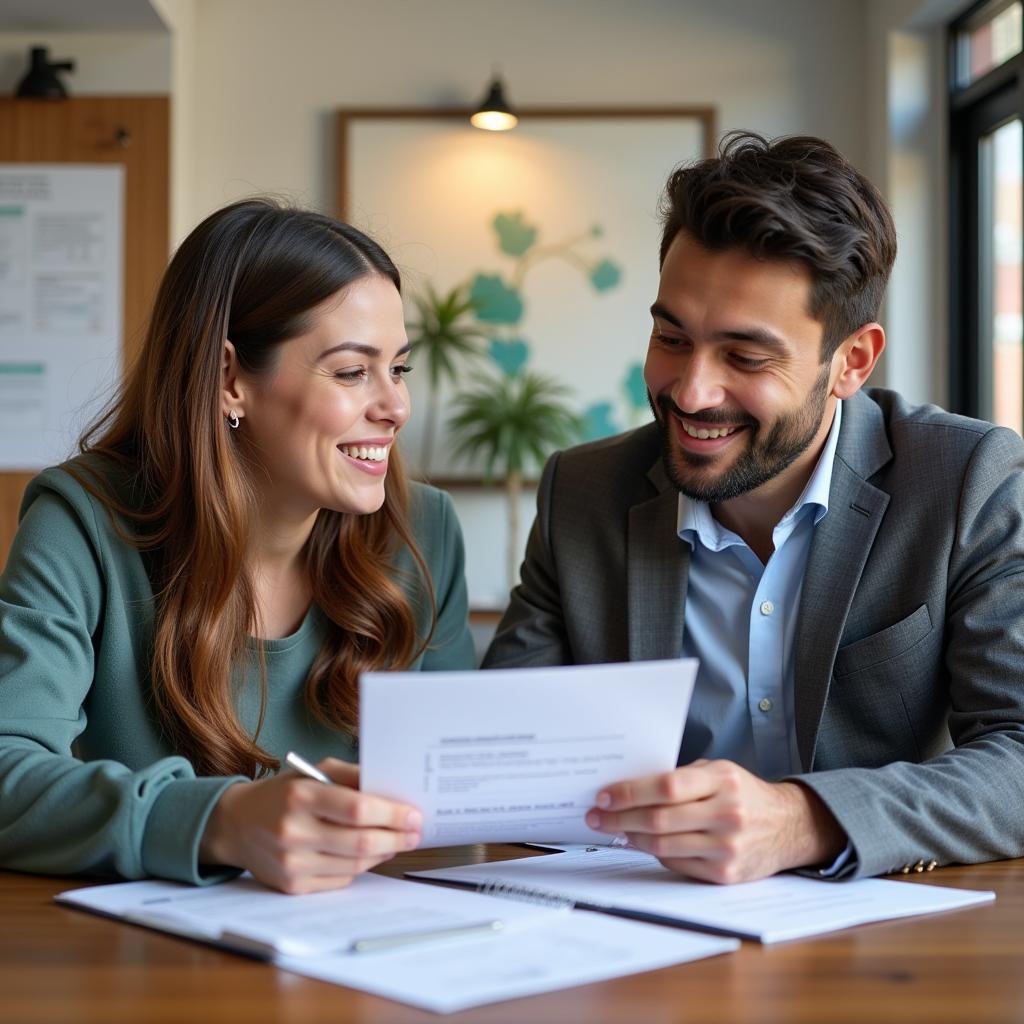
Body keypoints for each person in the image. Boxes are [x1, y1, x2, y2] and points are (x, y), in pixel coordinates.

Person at [484, 132, 1024, 883]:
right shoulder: (583, 492)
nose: (690, 391)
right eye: (672, 336)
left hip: (884, 935)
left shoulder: (967, 479)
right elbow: (504, 751)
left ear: (851, 363)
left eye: (744, 357)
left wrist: (805, 820)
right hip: (639, 924)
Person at [0, 199, 476, 893]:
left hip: (370, 952)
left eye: (399, 369)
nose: (396, 407)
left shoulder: (423, 529)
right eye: (351, 372)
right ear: (230, 379)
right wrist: (221, 820)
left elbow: (461, 780)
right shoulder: (84, 521)